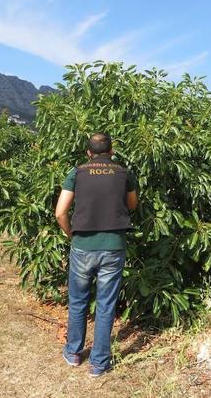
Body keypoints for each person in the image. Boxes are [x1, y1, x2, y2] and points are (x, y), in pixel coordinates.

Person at [55, 132, 138, 377]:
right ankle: (99, 363)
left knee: (78, 300)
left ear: (88, 153)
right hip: (113, 246)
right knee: (106, 304)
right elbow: (132, 205)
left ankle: (73, 352)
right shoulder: (123, 173)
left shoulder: (77, 172)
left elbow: (60, 212)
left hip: (83, 246)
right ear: (112, 151)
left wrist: (71, 234)